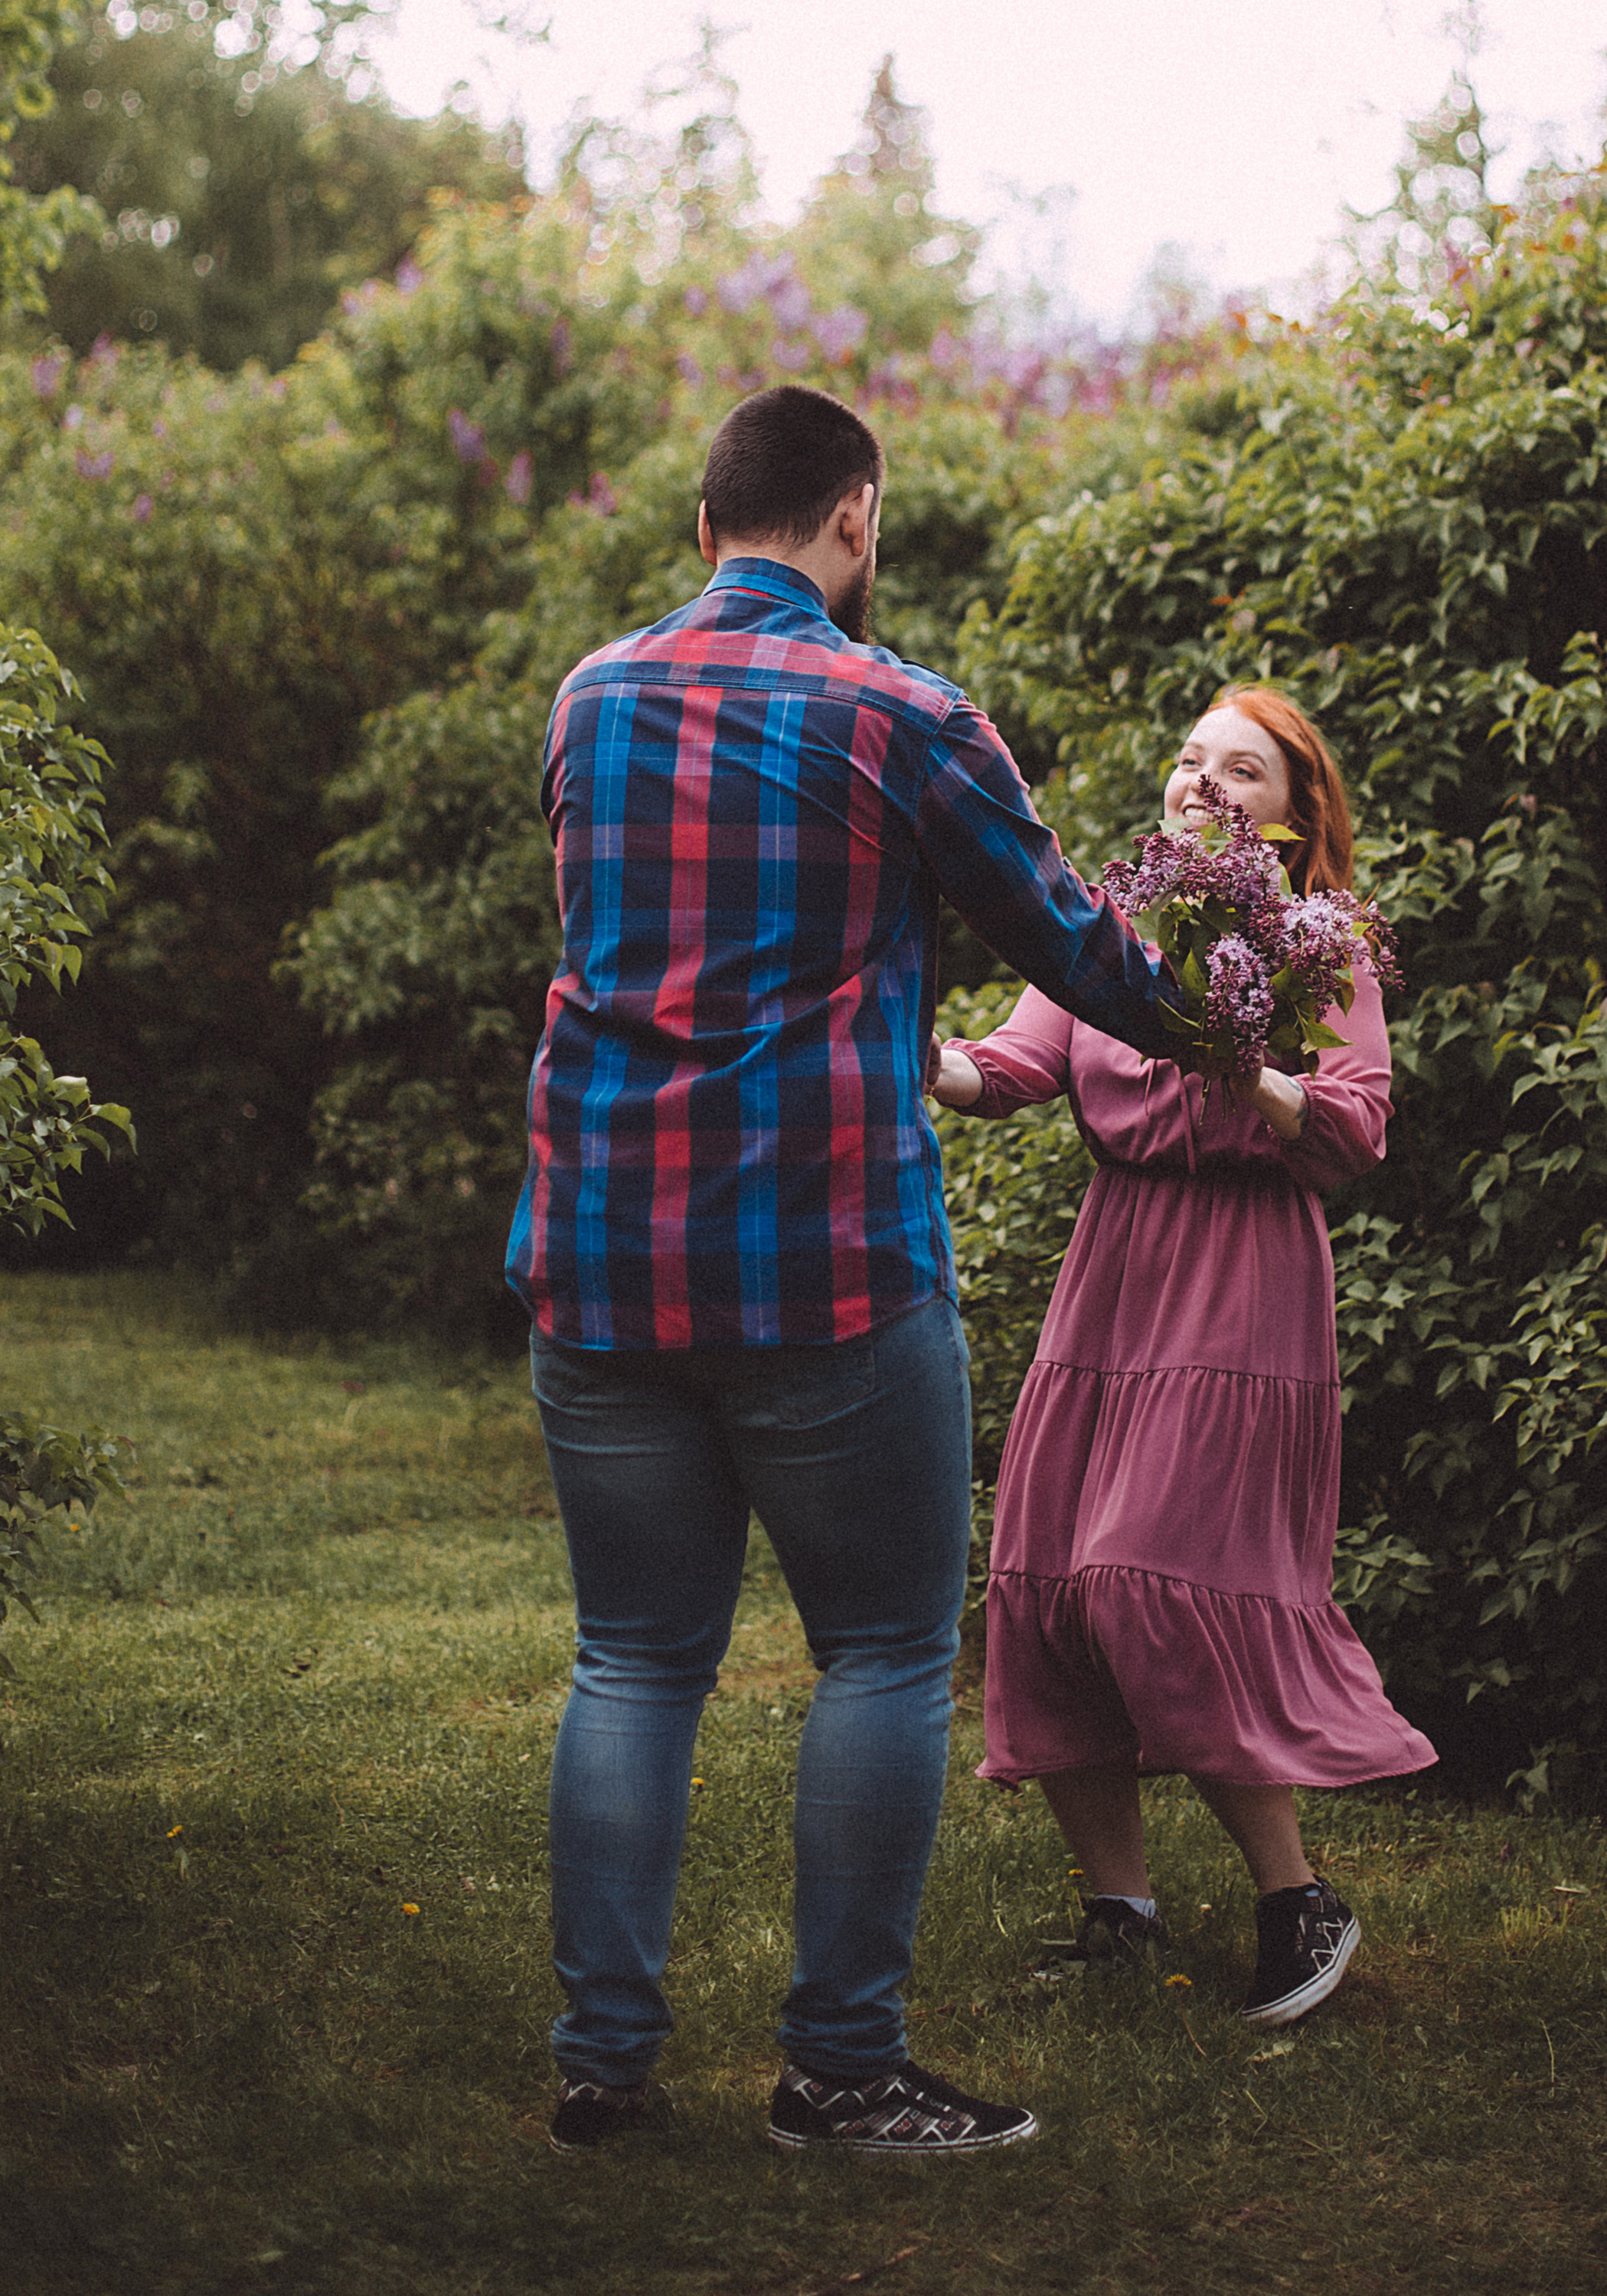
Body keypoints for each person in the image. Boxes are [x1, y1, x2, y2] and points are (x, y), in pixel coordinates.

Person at [506, 384, 1181, 2160]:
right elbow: (1076, 951)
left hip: (599, 1254)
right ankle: (840, 2070)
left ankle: (606, 2069)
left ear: (706, 518)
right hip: (824, 1262)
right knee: (882, 1651)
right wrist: (1237, 1003)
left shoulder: (592, 697)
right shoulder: (902, 714)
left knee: (633, 1659)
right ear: (854, 518)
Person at [930, 685, 1436, 2025]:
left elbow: (1355, 1127)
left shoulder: (1319, 943)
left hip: (1242, 1280)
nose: (1205, 785)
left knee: (1148, 1573)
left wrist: (1244, 1064)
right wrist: (918, 1058)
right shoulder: (1111, 928)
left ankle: (1297, 1900)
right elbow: (1015, 1065)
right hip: (1114, 1277)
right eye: (1191, 762)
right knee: (1043, 1581)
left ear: (1295, 814)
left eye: (1245, 771)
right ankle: (1121, 1909)